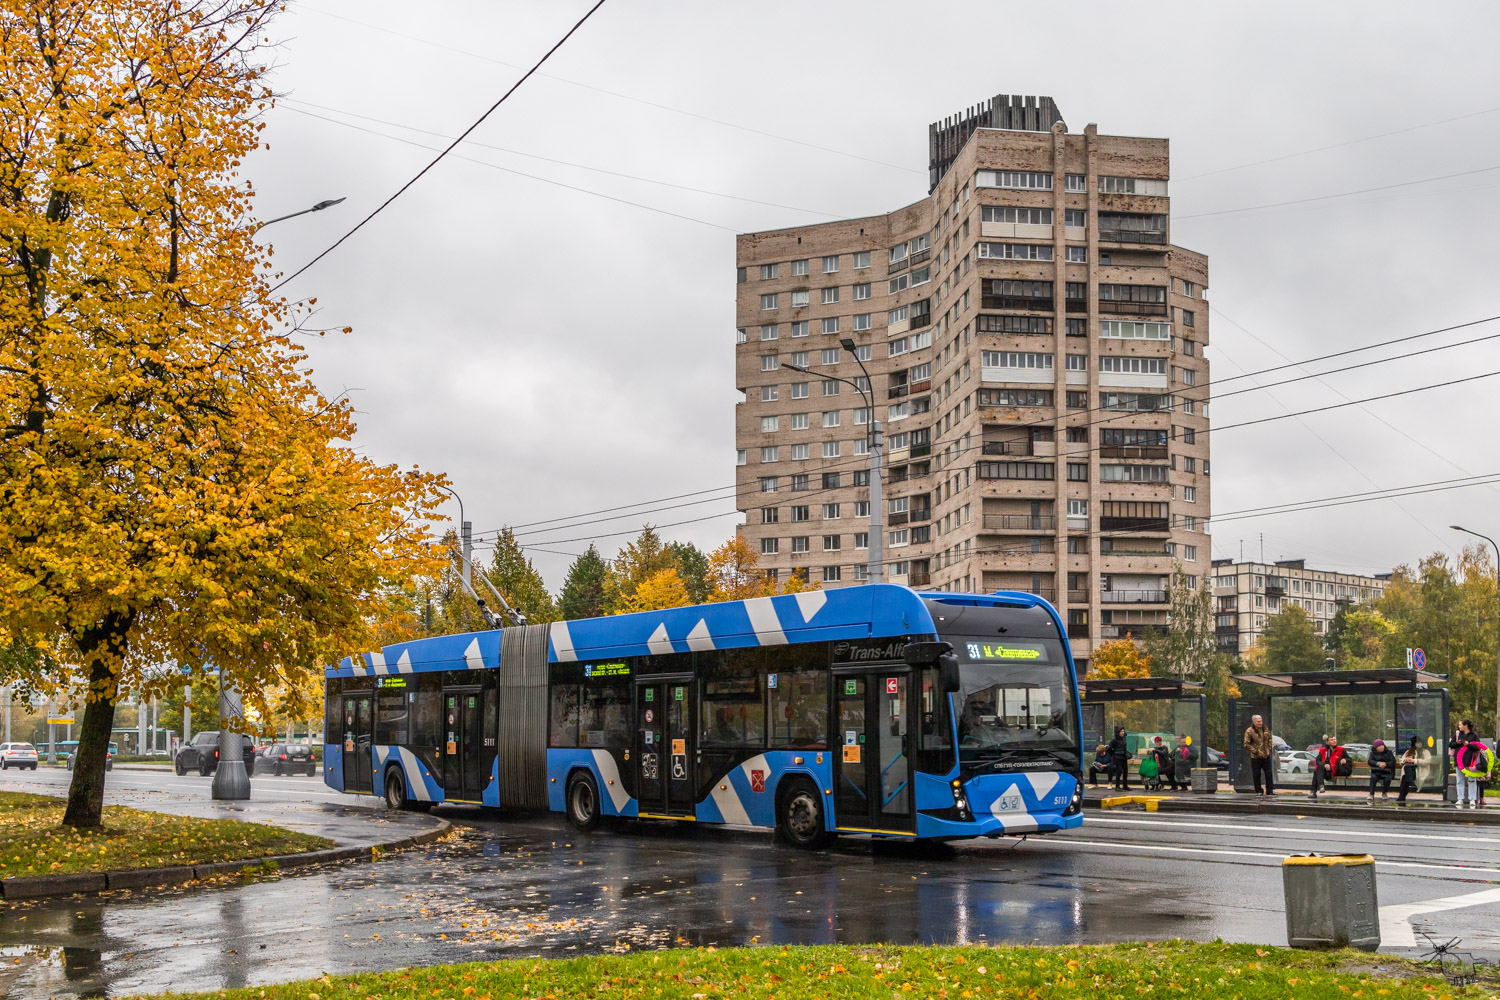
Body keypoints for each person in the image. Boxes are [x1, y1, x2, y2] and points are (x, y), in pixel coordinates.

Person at [1451, 721, 1493, 809]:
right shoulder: (1458, 734)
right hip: (1459, 760)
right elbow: (1451, 745)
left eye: (1460, 725)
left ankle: (1472, 799)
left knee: (1472, 780)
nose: (1459, 726)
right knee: (1460, 780)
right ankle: (1460, 798)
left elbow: (1478, 747)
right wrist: (1457, 743)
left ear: (1466, 725)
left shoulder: (1474, 735)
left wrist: (1468, 744)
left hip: (1471, 761)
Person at [1243, 714, 1275, 796]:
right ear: (1254, 722)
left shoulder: (1265, 729)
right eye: (1258, 721)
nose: (1260, 723)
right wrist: (1256, 751)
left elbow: (1269, 739)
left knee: (1268, 773)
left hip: (1266, 755)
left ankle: (1270, 790)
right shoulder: (1249, 731)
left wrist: (1269, 749)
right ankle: (1259, 791)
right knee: (1256, 774)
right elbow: (1246, 744)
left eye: (1261, 721)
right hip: (1256, 757)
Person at [1311, 735, 1346, 803]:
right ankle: (1320, 786)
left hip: (1336, 770)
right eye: (1332, 740)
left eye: (1335, 739)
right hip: (1326, 771)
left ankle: (1314, 790)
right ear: (1327, 742)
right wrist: (1324, 765)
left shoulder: (1341, 749)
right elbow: (1317, 761)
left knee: (1317, 771)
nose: (1334, 741)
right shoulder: (1323, 750)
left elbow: (1349, 759)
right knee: (1318, 768)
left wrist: (1345, 760)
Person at [1366, 738, 1396, 804]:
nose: (1381, 747)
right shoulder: (1372, 753)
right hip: (1376, 771)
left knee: (1388, 779)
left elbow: (1393, 762)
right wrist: (1378, 763)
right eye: (1379, 746)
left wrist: (1385, 764)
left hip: (1386, 771)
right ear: (1376, 748)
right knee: (1373, 778)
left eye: (1382, 745)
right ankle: (1371, 794)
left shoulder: (1389, 752)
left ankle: (1384, 793)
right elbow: (1370, 761)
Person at [1397, 736, 1421, 805]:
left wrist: (1413, 760)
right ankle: (1410, 782)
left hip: (1416, 769)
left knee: (1406, 774)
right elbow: (1401, 760)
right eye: (1417, 743)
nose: (1419, 744)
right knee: (1406, 776)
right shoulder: (1409, 751)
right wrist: (1405, 760)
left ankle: (1401, 797)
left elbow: (1425, 761)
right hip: (1408, 771)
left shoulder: (1423, 751)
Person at [1106, 726, 1130, 791]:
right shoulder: (1114, 739)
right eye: (1121, 731)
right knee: (1119, 771)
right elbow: (1109, 748)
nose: (1123, 733)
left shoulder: (1124, 738)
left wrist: (1126, 753)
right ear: (1118, 732)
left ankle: (1125, 785)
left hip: (1123, 756)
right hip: (1117, 757)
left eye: (1123, 731)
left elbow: (1124, 746)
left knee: (1125, 771)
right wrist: (1114, 754)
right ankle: (1117, 786)